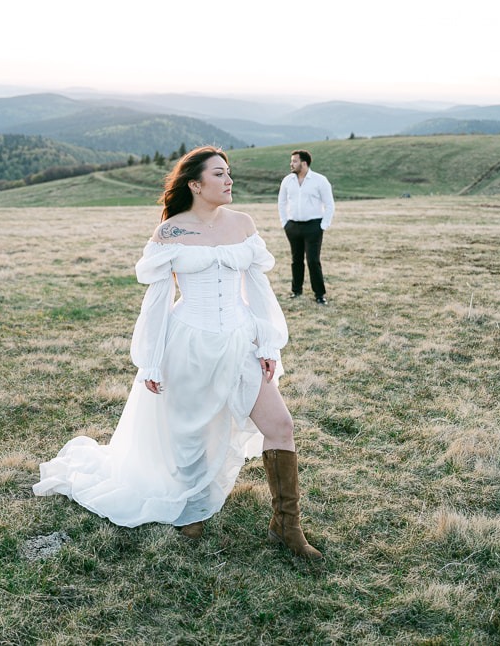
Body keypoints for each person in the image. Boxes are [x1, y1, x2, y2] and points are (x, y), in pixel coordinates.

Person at [33, 145, 322, 561]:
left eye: (229, 174)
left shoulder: (243, 224)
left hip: (240, 340)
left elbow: (257, 288)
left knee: (281, 423)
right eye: (219, 175)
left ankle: (286, 524)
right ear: (195, 184)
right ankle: (191, 509)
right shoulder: (171, 231)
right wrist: (149, 358)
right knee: (190, 432)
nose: (229, 181)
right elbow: (158, 297)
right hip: (188, 341)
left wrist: (268, 342)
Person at [278, 149, 335, 304]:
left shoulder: (320, 180)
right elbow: (281, 203)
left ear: (304, 163)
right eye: (291, 161)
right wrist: (285, 223)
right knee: (296, 260)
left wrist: (323, 226)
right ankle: (296, 291)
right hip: (293, 226)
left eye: (294, 161)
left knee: (312, 260)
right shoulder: (287, 181)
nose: (291, 164)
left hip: (313, 226)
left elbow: (329, 204)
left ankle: (319, 295)